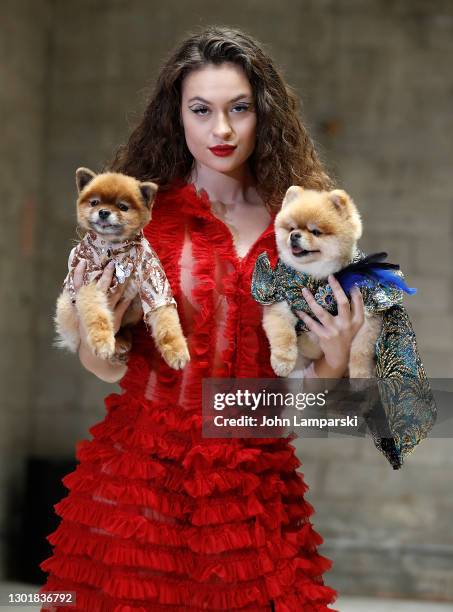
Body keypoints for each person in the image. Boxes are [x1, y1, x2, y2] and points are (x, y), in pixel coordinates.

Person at [39, 26, 366, 611]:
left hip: (253, 489)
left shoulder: (303, 228)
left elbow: (313, 407)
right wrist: (106, 334)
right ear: (177, 117)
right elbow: (103, 367)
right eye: (202, 110)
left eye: (239, 108)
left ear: (263, 115)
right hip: (140, 481)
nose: (221, 130)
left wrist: (338, 358)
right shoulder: (142, 219)